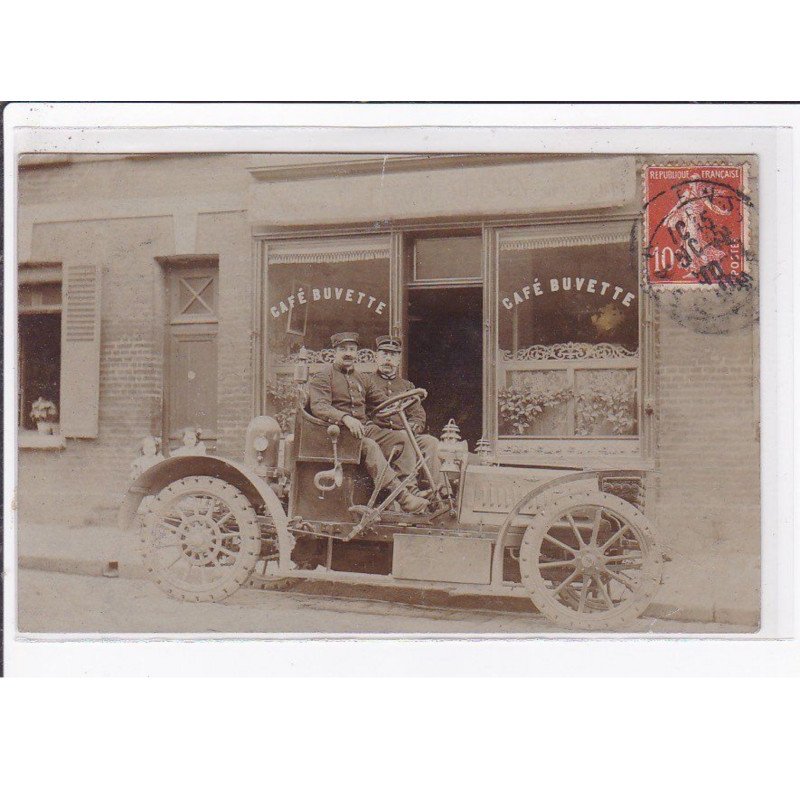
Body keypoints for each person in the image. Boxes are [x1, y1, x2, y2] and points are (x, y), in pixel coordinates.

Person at [308, 331, 428, 514]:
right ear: (334, 352)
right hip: (337, 434)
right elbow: (319, 406)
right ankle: (403, 498)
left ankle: (411, 490)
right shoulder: (324, 376)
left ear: (356, 353)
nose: (348, 353)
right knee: (370, 446)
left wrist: (411, 397)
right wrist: (345, 418)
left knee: (402, 439)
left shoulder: (361, 378)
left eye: (352, 349)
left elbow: (383, 399)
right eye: (343, 349)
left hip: (363, 430)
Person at [362, 335, 443, 494]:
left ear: (398, 359)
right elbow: (359, 410)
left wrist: (412, 428)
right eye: (384, 354)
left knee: (431, 442)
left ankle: (439, 493)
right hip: (379, 438)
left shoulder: (407, 386)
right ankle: (410, 492)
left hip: (406, 434)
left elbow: (418, 415)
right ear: (376, 357)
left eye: (393, 355)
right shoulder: (366, 381)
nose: (388, 359)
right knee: (404, 439)